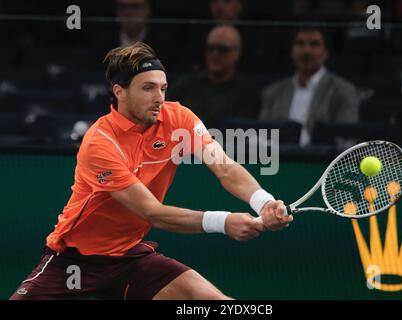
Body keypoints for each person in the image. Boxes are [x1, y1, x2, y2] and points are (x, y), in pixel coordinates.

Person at [10, 42, 292, 300]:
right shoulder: (99, 142)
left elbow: (225, 167)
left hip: (129, 258)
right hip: (74, 260)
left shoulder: (178, 117)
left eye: (163, 88)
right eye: (148, 88)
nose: (159, 97)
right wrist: (224, 222)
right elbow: (152, 212)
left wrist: (264, 202)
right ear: (119, 92)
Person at [259, 27, 359, 146]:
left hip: (321, 160)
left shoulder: (344, 91)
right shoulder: (273, 92)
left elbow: (346, 139)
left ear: (326, 52)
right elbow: (262, 134)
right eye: (300, 44)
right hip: (280, 159)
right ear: (292, 51)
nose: (306, 50)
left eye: (314, 44)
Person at [168, 25, 260, 129]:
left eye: (222, 50)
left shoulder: (247, 92)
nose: (215, 55)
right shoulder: (184, 86)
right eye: (210, 49)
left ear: (237, 53)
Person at [91, 0, 178, 69]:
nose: (128, 13)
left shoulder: (164, 45)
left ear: (147, 10)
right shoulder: (102, 44)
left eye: (135, 7)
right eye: (123, 7)